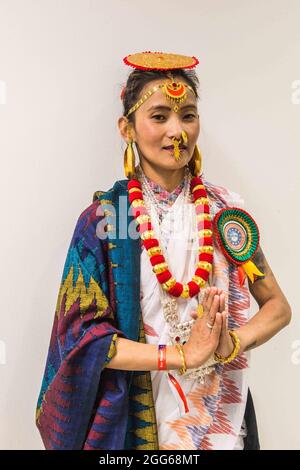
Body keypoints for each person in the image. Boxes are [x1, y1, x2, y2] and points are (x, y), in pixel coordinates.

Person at [35, 51, 291, 450]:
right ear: (127, 128)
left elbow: (277, 307)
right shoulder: (107, 220)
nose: (178, 131)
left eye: (188, 115)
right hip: (136, 420)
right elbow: (84, 338)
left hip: (218, 419)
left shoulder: (226, 214)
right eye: (159, 117)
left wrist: (232, 344)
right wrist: (181, 355)